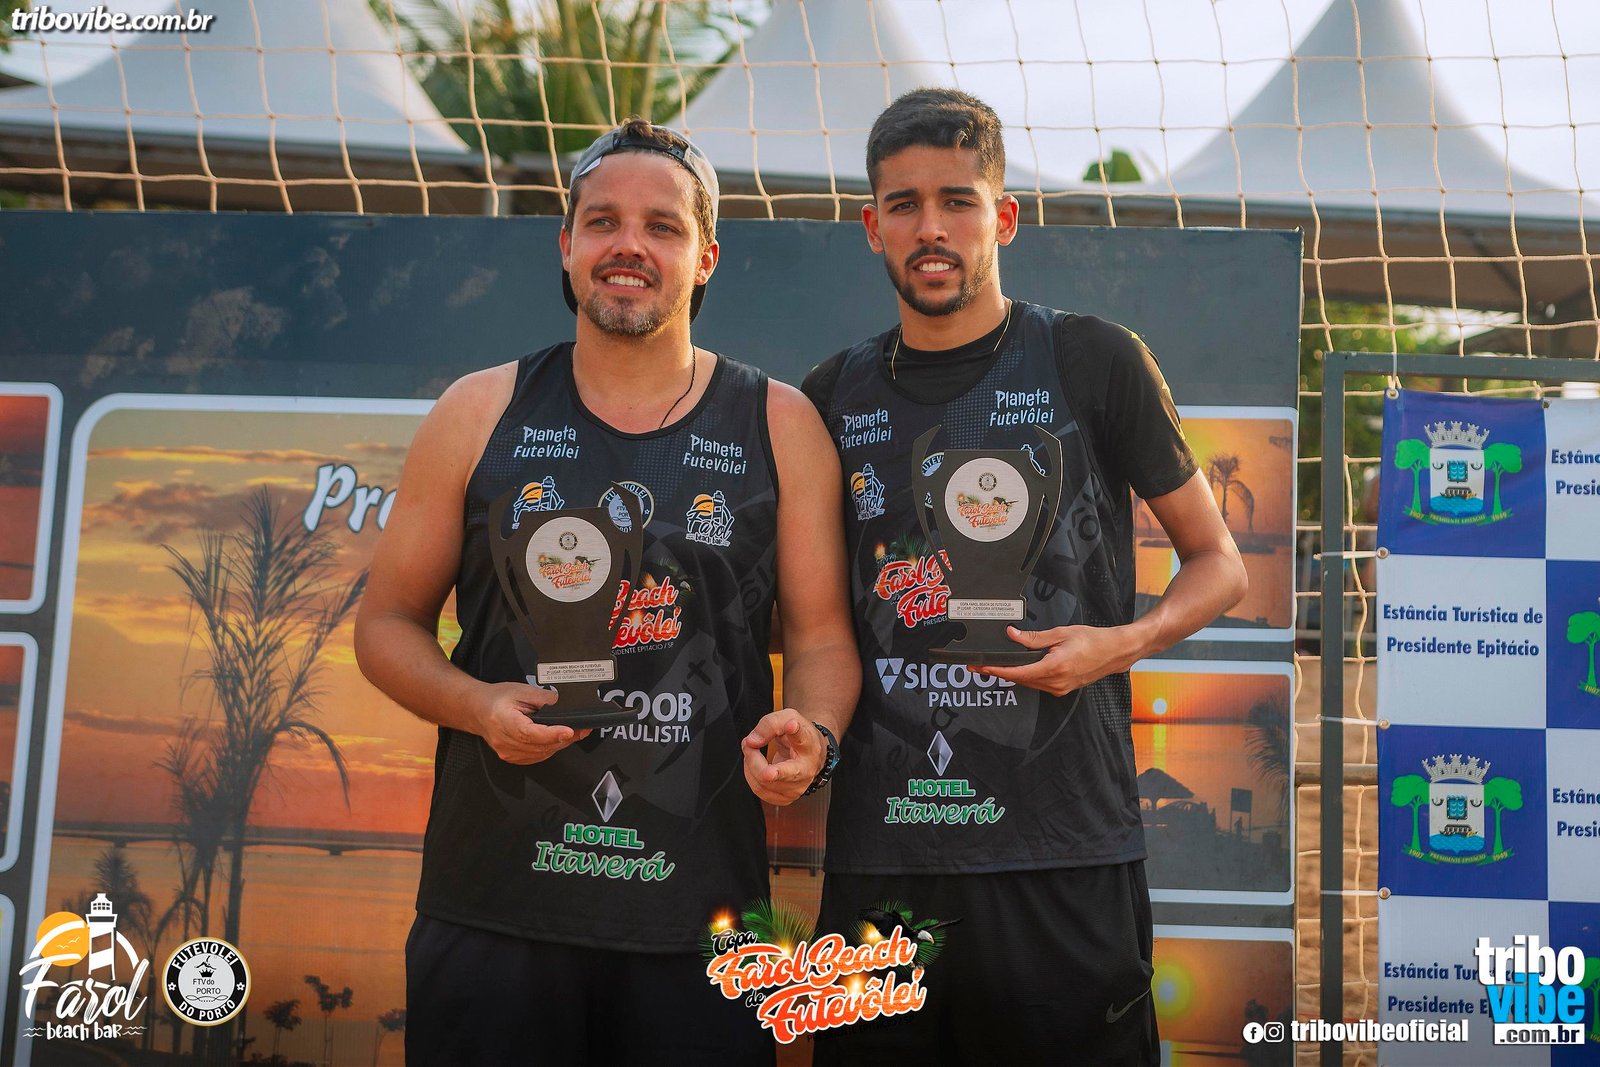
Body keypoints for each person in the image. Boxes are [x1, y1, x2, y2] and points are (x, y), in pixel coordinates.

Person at [354, 119, 858, 1066]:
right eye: (603, 222)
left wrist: (817, 736)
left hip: (700, 921)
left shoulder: (778, 422)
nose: (630, 245)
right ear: (566, 245)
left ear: (705, 257)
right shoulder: (479, 410)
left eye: (662, 226)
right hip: (494, 910)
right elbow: (385, 625)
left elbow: (824, 638)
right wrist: (475, 705)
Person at [801, 88, 1248, 1065]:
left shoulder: (1093, 359)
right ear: (872, 226)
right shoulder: (830, 395)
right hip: (888, 854)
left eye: (957, 201)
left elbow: (1219, 565)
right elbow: (813, 621)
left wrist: (1119, 642)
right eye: (905, 204)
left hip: (1064, 846)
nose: (931, 228)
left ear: (1003, 217)